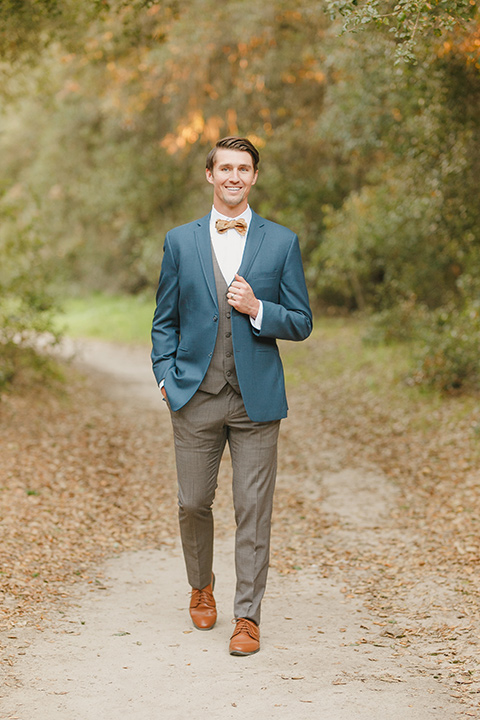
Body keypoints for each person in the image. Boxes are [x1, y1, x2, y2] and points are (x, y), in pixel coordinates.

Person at [151, 136, 312, 656]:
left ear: (255, 178)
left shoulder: (282, 241)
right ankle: (201, 585)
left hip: (256, 399)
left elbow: (302, 321)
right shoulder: (180, 241)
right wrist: (163, 375)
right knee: (193, 501)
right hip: (195, 395)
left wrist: (259, 308)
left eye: (244, 169)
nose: (235, 177)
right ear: (210, 175)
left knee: (253, 508)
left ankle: (248, 617)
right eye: (226, 168)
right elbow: (164, 320)